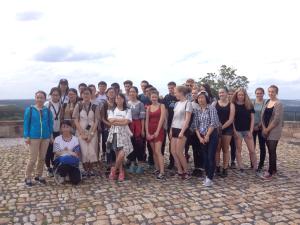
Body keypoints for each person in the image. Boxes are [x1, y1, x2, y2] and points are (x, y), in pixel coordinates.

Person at [23, 91, 53, 186]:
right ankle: (27, 177)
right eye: (38, 97)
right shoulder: (30, 110)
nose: (39, 99)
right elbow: (26, 124)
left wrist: (50, 135)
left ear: (45, 99)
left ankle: (38, 175)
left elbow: (50, 124)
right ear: (35, 98)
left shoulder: (47, 111)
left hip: (45, 137)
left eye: (42, 97)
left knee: (42, 158)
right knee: (32, 158)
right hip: (33, 137)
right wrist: (26, 136)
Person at [194, 91, 220, 187]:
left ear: (206, 98)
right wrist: (200, 137)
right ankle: (207, 174)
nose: (200, 99)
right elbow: (195, 125)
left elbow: (213, 123)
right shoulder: (197, 110)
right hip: (201, 136)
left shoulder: (211, 108)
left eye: (202, 97)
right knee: (204, 157)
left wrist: (207, 135)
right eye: (199, 98)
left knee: (210, 156)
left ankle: (209, 177)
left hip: (211, 135)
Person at [73, 87, 100, 177]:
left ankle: (91, 169)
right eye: (84, 93)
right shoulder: (78, 105)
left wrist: (91, 134)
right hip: (81, 131)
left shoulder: (95, 106)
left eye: (88, 93)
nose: (86, 95)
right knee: (83, 151)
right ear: (81, 95)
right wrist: (82, 133)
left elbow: (96, 121)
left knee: (92, 150)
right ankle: (85, 170)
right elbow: (76, 120)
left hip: (92, 131)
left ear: (91, 94)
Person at [107, 93, 133, 182]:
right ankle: (121, 171)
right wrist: (122, 120)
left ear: (123, 100)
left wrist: (116, 120)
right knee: (118, 154)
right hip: (114, 133)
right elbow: (111, 121)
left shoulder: (127, 110)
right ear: (115, 100)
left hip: (124, 133)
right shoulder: (112, 109)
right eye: (117, 98)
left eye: (120, 98)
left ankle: (114, 170)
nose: (119, 100)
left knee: (122, 154)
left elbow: (127, 122)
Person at [232, 88, 258, 173]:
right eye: (239, 95)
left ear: (245, 95)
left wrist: (251, 131)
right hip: (238, 131)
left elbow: (252, 119)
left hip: (247, 130)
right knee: (238, 149)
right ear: (236, 95)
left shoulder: (249, 105)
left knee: (252, 150)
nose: (240, 96)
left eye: (242, 95)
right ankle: (240, 167)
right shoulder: (233, 105)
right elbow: (231, 119)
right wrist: (234, 131)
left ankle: (255, 167)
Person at [261, 85, 284, 179]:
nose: (270, 93)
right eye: (269, 91)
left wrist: (267, 129)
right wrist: (263, 127)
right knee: (270, 150)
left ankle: (270, 171)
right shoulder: (267, 101)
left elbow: (276, 119)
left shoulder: (278, 103)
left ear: (276, 92)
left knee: (272, 150)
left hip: (274, 131)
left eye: (272, 92)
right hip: (265, 129)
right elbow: (262, 115)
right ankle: (273, 168)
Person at [170, 86, 192, 180]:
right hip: (174, 128)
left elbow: (187, 119)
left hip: (182, 129)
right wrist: (171, 129)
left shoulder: (188, 103)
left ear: (181, 92)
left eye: (176, 92)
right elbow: (174, 118)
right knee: (173, 151)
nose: (175, 94)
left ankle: (186, 172)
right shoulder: (177, 103)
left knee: (179, 152)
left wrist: (182, 132)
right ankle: (179, 171)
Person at [214, 88, 235, 178]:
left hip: (227, 129)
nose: (221, 94)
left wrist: (221, 127)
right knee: (217, 149)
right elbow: (212, 115)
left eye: (222, 92)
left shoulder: (231, 105)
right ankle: (217, 167)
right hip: (216, 128)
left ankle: (225, 168)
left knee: (225, 149)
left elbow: (231, 119)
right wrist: (217, 126)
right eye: (219, 93)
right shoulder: (214, 103)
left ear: (227, 93)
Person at [145, 90, 166, 179]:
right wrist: (147, 133)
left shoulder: (162, 106)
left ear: (158, 97)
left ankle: (162, 171)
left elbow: (162, 119)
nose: (154, 98)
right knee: (153, 152)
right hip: (150, 129)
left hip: (159, 130)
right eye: (152, 97)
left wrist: (157, 131)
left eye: (155, 97)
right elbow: (146, 121)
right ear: (150, 98)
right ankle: (157, 168)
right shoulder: (148, 107)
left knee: (158, 151)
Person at [53, 120, 81, 185]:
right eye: (63, 127)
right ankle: (62, 175)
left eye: (67, 127)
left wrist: (67, 151)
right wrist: (67, 152)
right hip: (61, 161)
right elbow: (56, 153)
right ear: (61, 129)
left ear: (71, 128)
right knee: (64, 159)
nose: (65, 129)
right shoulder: (57, 139)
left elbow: (76, 153)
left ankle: (68, 174)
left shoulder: (75, 139)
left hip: (72, 161)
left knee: (76, 181)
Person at [127, 86, 146, 174]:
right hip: (129, 126)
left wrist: (142, 130)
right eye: (130, 92)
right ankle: (132, 164)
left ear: (136, 93)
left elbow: (142, 118)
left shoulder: (140, 104)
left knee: (139, 146)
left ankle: (141, 165)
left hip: (138, 126)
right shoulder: (127, 104)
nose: (132, 93)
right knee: (131, 146)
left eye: (133, 91)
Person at [44, 87, 62, 177]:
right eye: (54, 95)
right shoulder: (47, 104)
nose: (55, 96)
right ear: (51, 95)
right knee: (48, 150)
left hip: (58, 130)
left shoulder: (60, 104)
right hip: (49, 131)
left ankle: (54, 166)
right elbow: (45, 120)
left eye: (57, 95)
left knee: (56, 150)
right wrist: (50, 134)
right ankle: (48, 167)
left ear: (59, 96)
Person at [189, 87, 204, 177]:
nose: (194, 95)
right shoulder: (190, 104)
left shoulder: (203, 104)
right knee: (195, 149)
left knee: (202, 149)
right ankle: (196, 167)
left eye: (196, 93)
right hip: (193, 130)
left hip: (202, 130)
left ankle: (202, 167)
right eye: (192, 93)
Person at [163, 81, 178, 170]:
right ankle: (172, 161)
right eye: (169, 88)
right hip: (170, 123)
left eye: (172, 88)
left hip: (179, 123)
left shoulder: (178, 97)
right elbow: (166, 111)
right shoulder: (166, 97)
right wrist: (166, 123)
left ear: (175, 87)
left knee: (179, 144)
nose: (170, 90)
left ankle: (179, 159)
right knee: (171, 143)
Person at [252, 87, 266, 172]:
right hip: (252, 127)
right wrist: (252, 126)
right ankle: (253, 163)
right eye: (257, 93)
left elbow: (265, 116)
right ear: (255, 94)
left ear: (263, 94)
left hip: (261, 127)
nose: (259, 95)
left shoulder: (265, 103)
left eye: (260, 93)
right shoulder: (252, 103)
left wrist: (259, 125)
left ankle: (261, 163)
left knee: (262, 146)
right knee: (252, 147)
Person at [101, 87, 115, 162]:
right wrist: (109, 124)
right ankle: (109, 163)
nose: (111, 94)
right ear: (107, 94)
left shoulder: (117, 103)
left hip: (117, 127)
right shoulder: (104, 104)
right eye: (110, 92)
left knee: (116, 145)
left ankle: (117, 163)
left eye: (113, 92)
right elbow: (102, 118)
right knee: (108, 145)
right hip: (107, 128)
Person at [228, 88, 237, 168]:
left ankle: (233, 160)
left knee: (233, 145)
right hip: (227, 127)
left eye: (232, 94)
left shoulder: (236, 104)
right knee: (225, 145)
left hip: (235, 127)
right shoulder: (226, 103)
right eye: (229, 94)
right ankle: (226, 161)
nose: (231, 95)